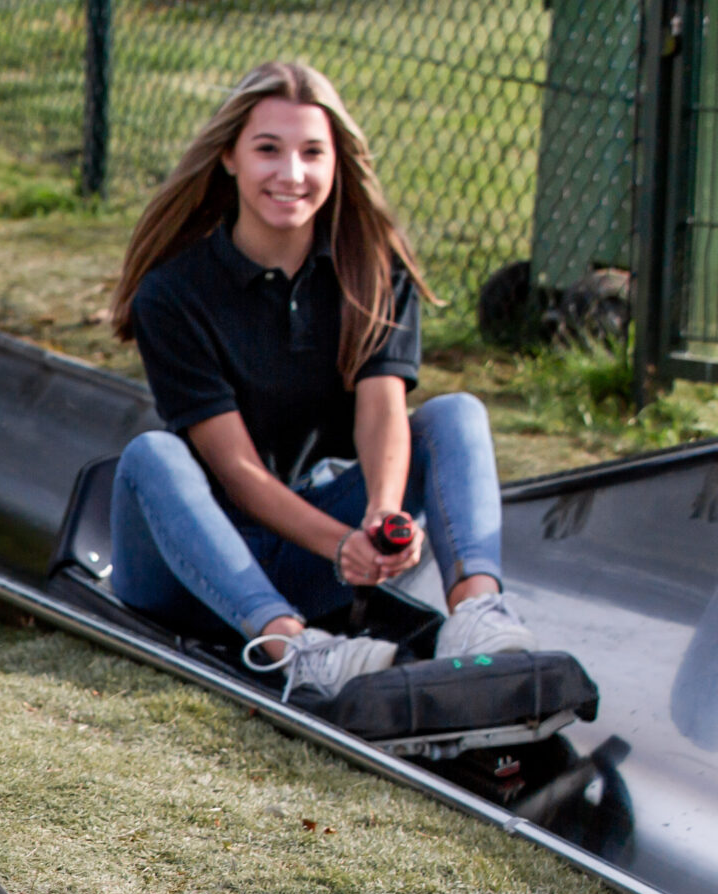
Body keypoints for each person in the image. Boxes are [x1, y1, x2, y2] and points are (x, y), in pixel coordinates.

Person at [107, 60, 535, 699]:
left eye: (313, 152)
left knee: (456, 414)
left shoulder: (373, 270)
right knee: (151, 455)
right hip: (188, 568)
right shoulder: (173, 293)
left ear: (339, 163)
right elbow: (237, 472)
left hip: (308, 552)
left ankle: (477, 616)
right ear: (229, 157)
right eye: (268, 150)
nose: (292, 174)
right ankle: (293, 648)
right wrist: (341, 545)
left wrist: (380, 520)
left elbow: (382, 411)